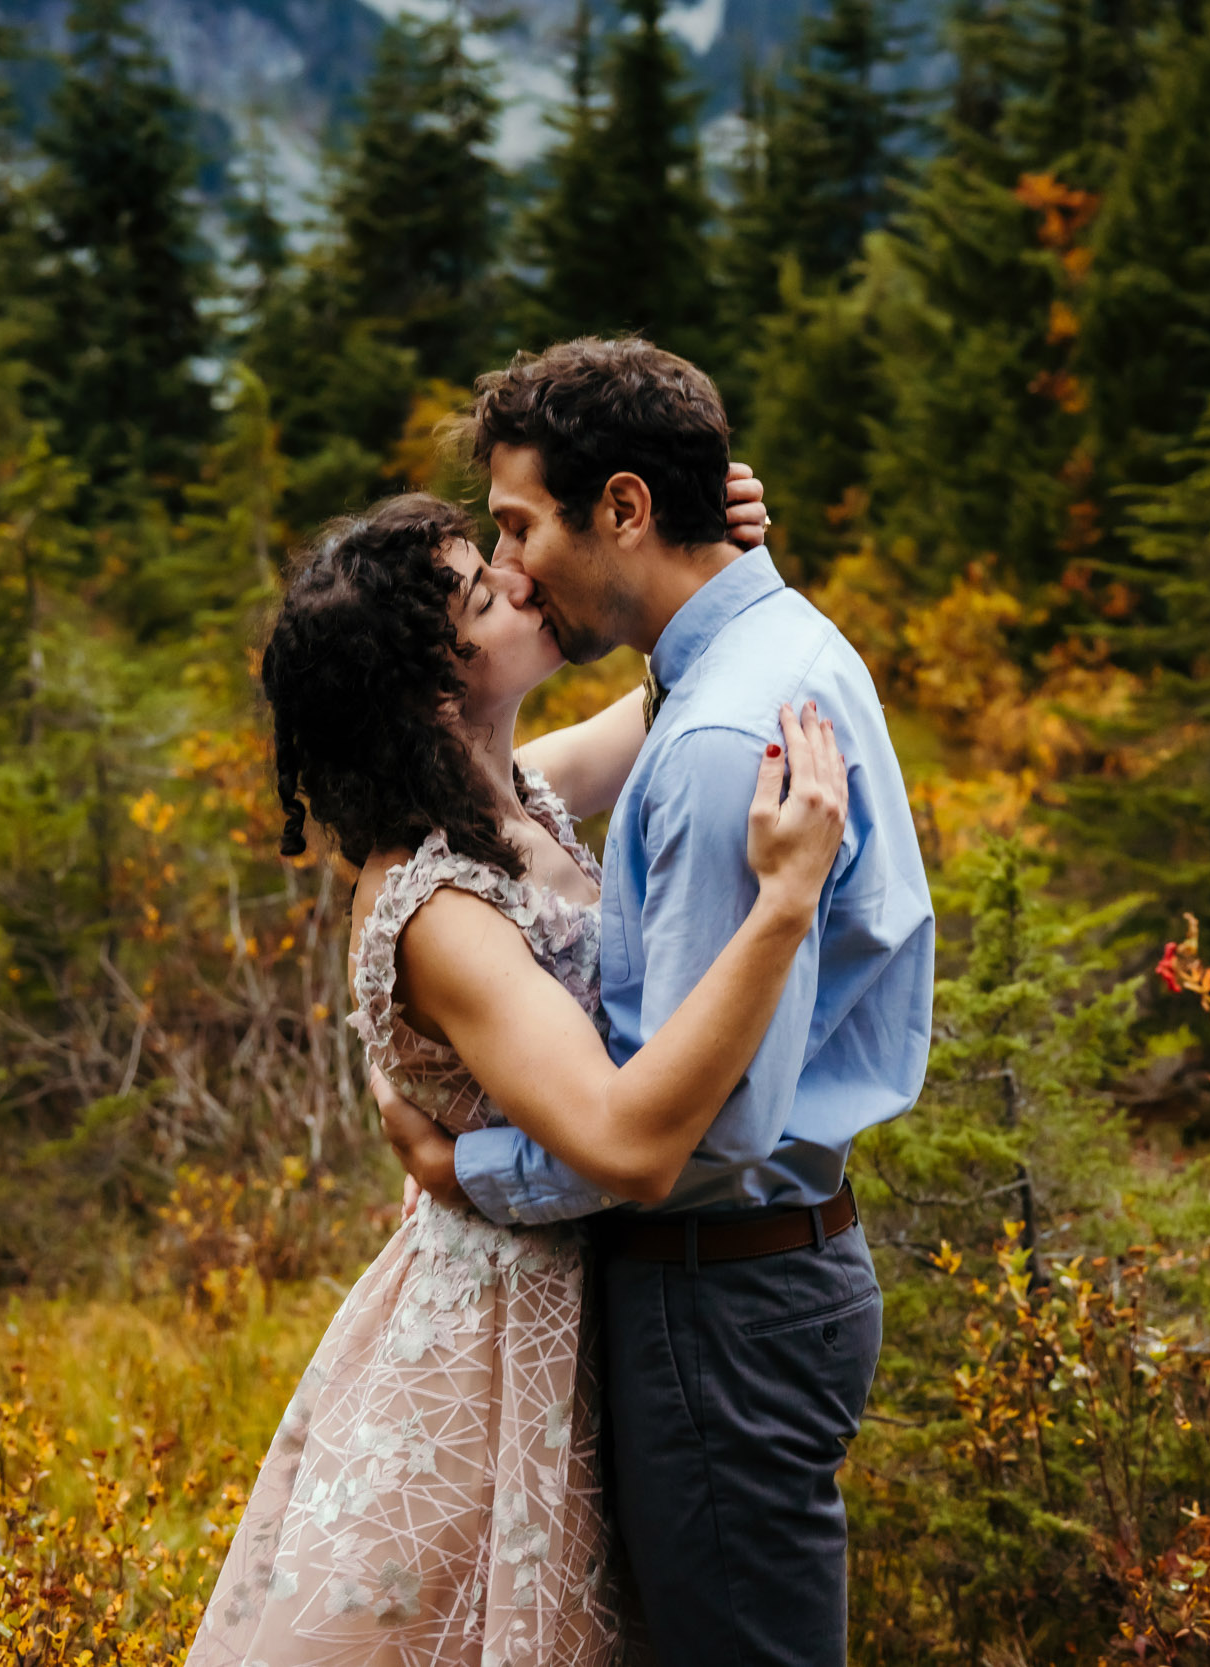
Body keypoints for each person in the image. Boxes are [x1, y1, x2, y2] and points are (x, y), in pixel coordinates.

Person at [184, 472, 848, 1667]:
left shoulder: (512, 788)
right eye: (481, 592)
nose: (517, 576)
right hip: (498, 1341)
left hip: (583, 1289)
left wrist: (713, 550)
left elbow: (676, 693)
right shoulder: (439, 908)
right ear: (433, 686)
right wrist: (782, 905)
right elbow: (629, 1140)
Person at [383, 337, 936, 1667]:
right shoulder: (776, 648)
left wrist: (471, 1165)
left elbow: (698, 1132)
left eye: (519, 526)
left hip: (718, 1295)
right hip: (761, 1277)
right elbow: (493, 801)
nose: (513, 567)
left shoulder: (707, 740)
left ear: (622, 507)